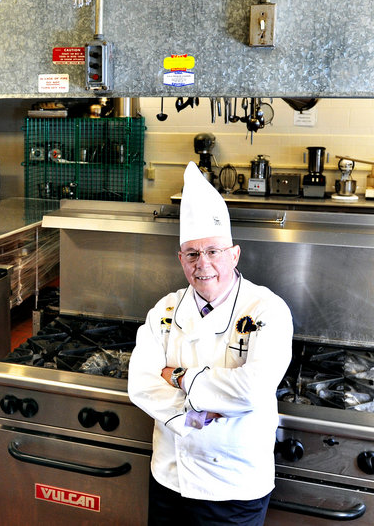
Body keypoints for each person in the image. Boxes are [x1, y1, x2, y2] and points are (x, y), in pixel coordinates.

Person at [127, 162, 293, 526]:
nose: (204, 264)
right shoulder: (165, 310)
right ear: (181, 259)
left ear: (234, 254)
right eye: (192, 254)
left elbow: (250, 390)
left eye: (214, 251)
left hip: (233, 485)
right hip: (170, 475)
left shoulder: (267, 310)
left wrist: (181, 377)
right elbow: (141, 382)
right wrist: (195, 412)